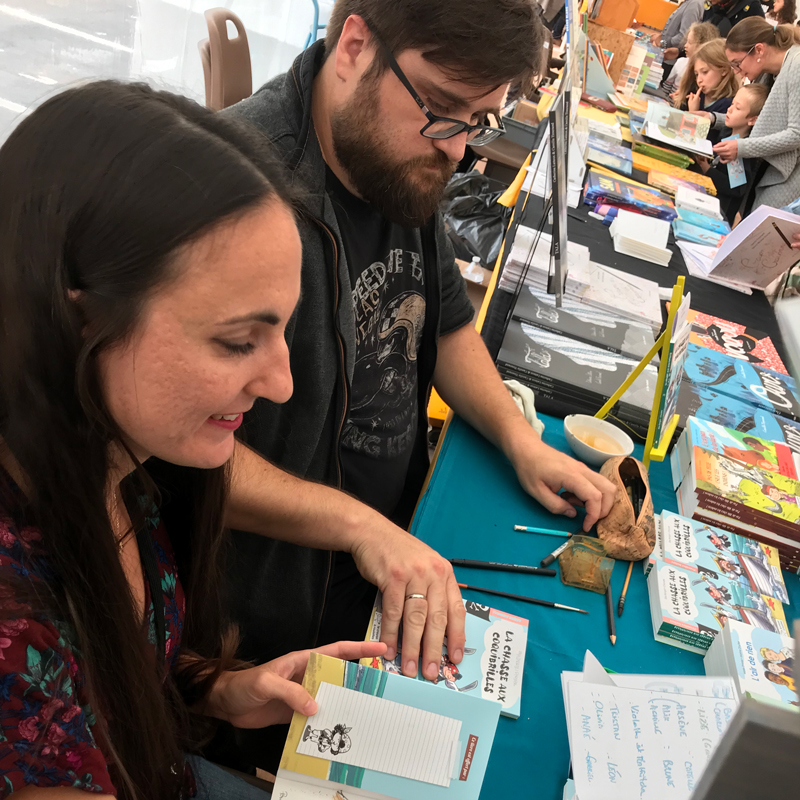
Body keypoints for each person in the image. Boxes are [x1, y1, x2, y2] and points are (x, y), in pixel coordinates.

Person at [223, 0, 616, 769]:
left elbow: (445, 325)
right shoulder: (243, 195)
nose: (461, 151)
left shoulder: (397, 150)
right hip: (283, 604)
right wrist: (364, 530)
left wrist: (519, 439)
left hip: (397, 533)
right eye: (442, 111)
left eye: (481, 120)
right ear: (356, 45)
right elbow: (181, 445)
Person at [0, 81, 386, 799]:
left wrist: (222, 688)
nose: (282, 383)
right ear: (80, 324)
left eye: (282, 330)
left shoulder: (119, 457)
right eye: (239, 341)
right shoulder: (13, 625)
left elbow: (107, 672)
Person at [714, 19, 800, 210]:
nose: (738, 71)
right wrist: (712, 119)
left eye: (737, 63)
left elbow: (796, 134)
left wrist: (741, 147)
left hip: (788, 175)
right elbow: (754, 118)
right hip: (766, 164)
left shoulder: (797, 65)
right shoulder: (768, 70)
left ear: (759, 50)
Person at [695, 83, 769, 222]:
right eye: (732, 103)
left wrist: (707, 169)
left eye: (738, 107)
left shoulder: (740, 150)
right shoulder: (727, 131)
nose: (729, 109)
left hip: (720, 212)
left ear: (752, 119)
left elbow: (736, 188)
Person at [675, 38, 740, 142]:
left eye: (705, 72)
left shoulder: (728, 105)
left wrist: (693, 112)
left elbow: (694, 140)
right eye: (696, 74)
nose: (699, 80)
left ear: (724, 70)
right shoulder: (695, 96)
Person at [663, 21, 721, 96]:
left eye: (690, 42)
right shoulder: (681, 62)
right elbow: (666, 89)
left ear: (701, 45)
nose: (685, 45)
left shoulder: (708, 76)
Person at [654, 0, 705, 76]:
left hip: (670, 60)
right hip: (666, 57)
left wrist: (662, 43)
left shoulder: (694, 4)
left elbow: (684, 35)